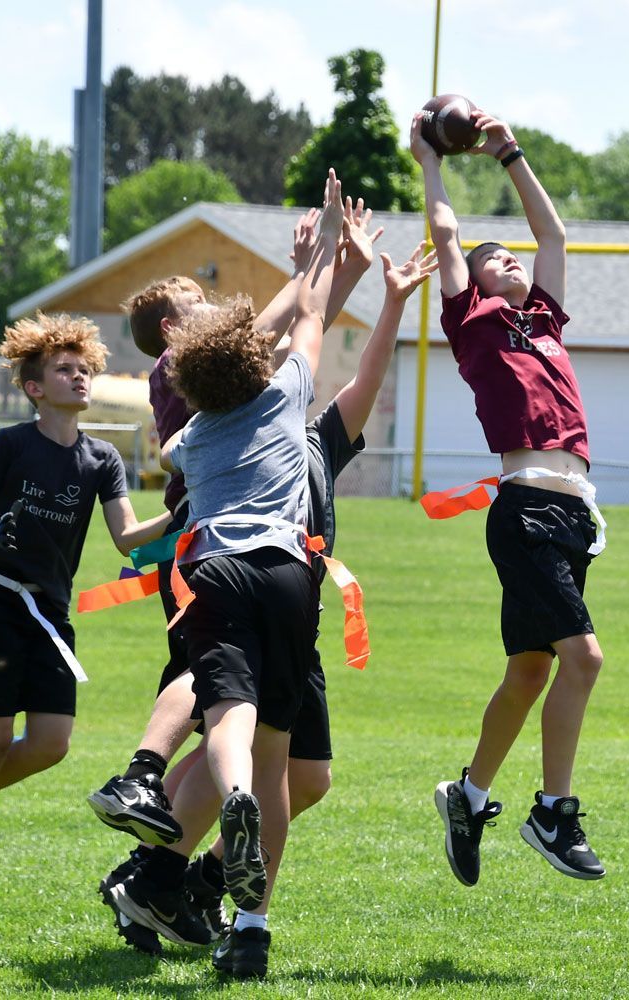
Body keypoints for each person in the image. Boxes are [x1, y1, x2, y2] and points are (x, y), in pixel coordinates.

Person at [113, 237, 437, 979]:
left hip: (287, 601)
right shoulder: (276, 404)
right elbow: (308, 329)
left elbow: (359, 364)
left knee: (304, 775)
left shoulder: (295, 433)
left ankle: (193, 879)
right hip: (262, 581)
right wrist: (328, 272)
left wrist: (377, 288)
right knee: (254, 744)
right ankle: (173, 885)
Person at [0, 312, 172, 937]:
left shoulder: (102, 458)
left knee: (52, 743)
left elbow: (128, 539)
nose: (79, 378)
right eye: (63, 370)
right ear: (34, 387)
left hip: (50, 612)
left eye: (84, 369)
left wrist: (180, 512)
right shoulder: (10, 445)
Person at [409, 106, 607, 886]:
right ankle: (553, 812)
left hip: (572, 512)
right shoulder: (475, 321)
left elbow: (553, 236)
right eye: (498, 260)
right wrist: (430, 160)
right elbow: (450, 238)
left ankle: (467, 795)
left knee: (531, 673)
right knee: (583, 659)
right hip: (524, 506)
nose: (512, 260)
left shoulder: (543, 317)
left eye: (513, 259)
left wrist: (509, 152)